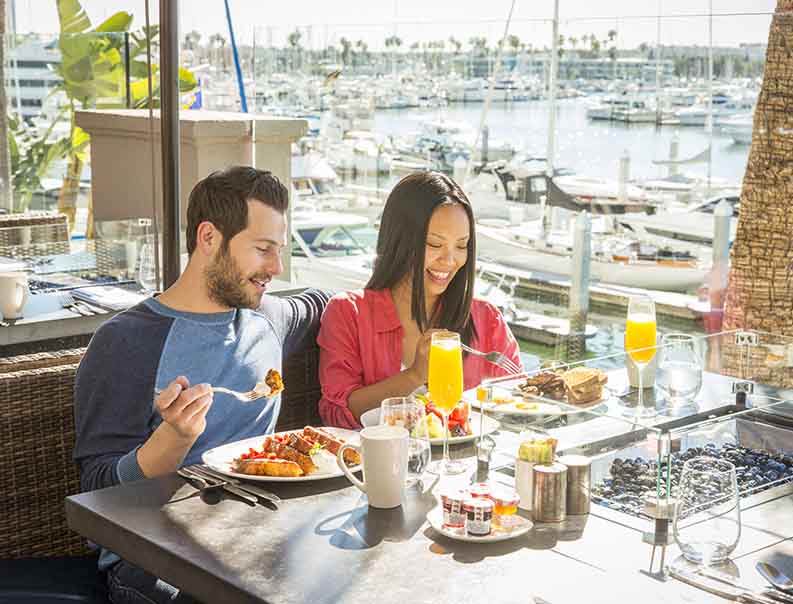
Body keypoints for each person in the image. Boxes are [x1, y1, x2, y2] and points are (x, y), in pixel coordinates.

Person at [74, 166, 329, 604]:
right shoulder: (127, 342)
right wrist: (171, 440)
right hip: (151, 556)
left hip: (252, 534)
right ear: (208, 237)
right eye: (263, 249)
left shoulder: (269, 318)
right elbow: (96, 490)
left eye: (279, 250)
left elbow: (327, 302)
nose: (277, 267)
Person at [317, 171, 522, 428]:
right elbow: (338, 413)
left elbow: (519, 400)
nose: (449, 261)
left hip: (463, 464)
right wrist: (414, 375)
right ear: (399, 241)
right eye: (434, 244)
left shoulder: (486, 318)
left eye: (461, 246)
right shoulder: (348, 313)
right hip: (379, 465)